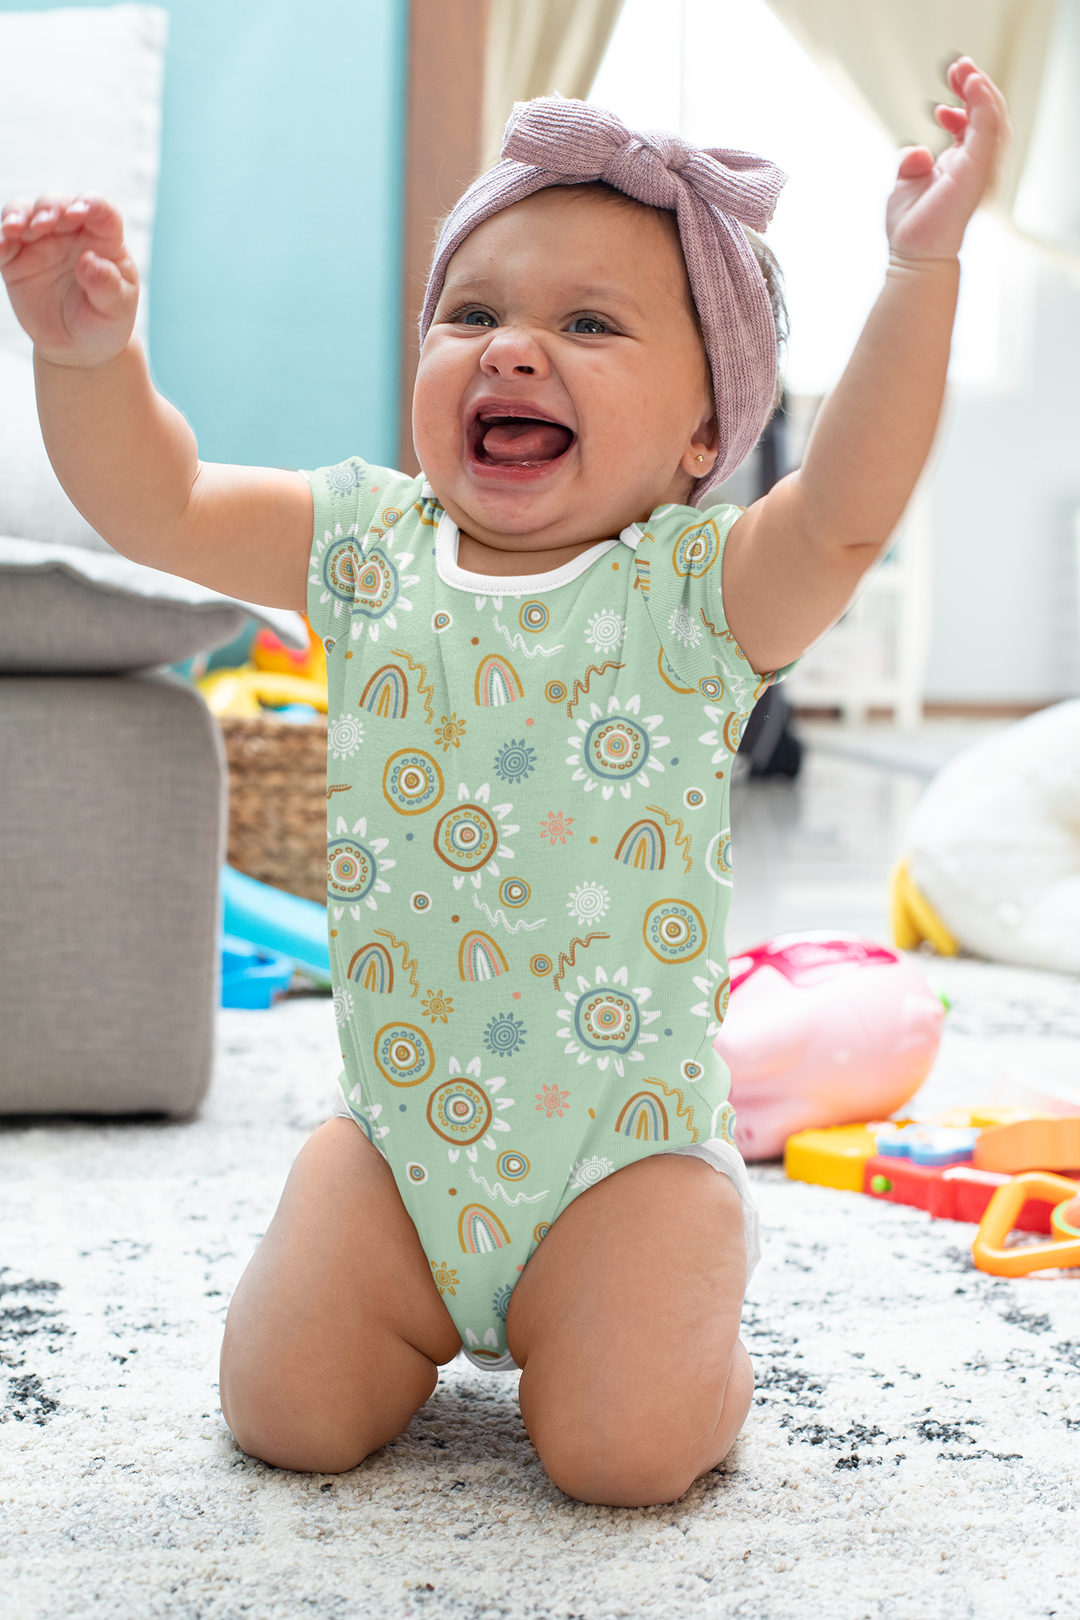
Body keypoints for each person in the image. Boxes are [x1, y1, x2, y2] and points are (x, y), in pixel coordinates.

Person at [1, 59, 1011, 1507]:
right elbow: (157, 504)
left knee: (624, 1459)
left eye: (589, 324)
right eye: (472, 315)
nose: (514, 351)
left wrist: (921, 270)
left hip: (621, 1163)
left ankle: (699, 1329)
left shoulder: (699, 596)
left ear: (706, 435)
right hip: (397, 1150)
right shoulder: (362, 547)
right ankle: (413, 1291)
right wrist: (87, 363)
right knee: (285, 1415)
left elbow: (847, 510)